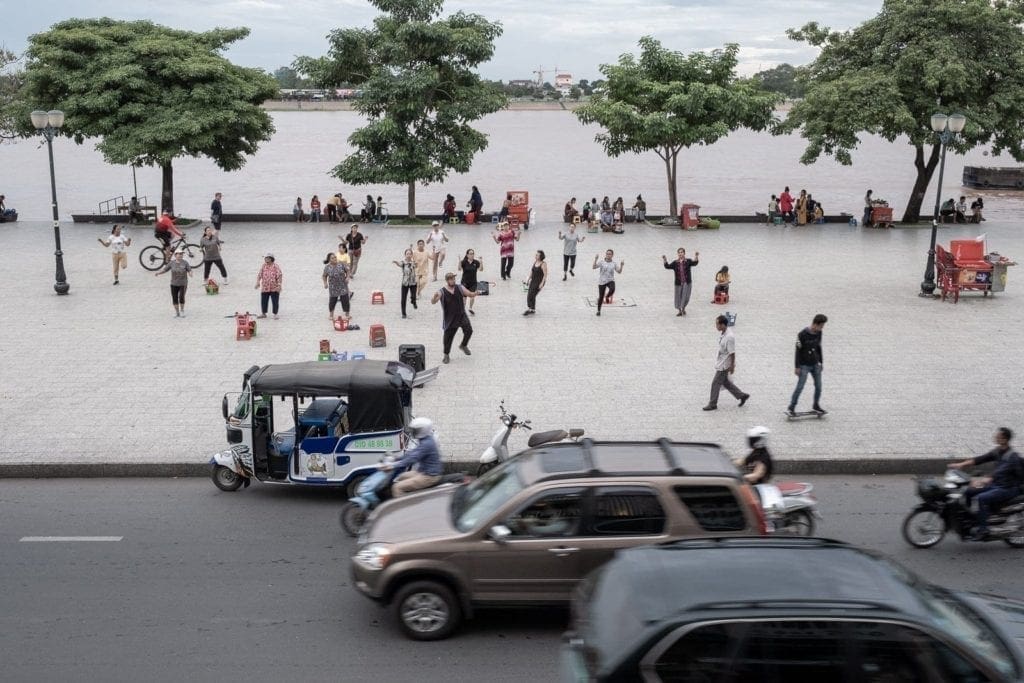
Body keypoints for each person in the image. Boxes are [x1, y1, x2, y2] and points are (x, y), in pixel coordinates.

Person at [950, 428, 1024, 541]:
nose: (995, 437)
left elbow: (1000, 471)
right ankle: (972, 519)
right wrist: (961, 464)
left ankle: (983, 529)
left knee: (982, 498)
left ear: (1004, 439)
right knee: (969, 491)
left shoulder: (1012, 457)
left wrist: (984, 480)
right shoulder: (998, 451)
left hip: (1008, 488)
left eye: (998, 436)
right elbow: (981, 459)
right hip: (997, 484)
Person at [384, 417, 443, 497]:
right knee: (400, 477)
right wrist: (395, 458)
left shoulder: (427, 444)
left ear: (422, 430)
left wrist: (392, 466)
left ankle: (403, 508)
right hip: (422, 472)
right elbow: (412, 453)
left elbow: (412, 459)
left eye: (415, 430)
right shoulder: (425, 439)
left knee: (397, 487)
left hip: (429, 476)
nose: (413, 432)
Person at [703, 314, 750, 411]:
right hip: (721, 361)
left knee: (715, 383)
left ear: (723, 325)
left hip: (724, 364)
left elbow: (732, 353)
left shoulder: (729, 337)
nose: (716, 326)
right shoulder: (724, 333)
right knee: (726, 382)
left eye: (717, 325)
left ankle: (713, 403)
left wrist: (732, 366)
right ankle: (742, 395)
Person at [787, 313, 828, 417]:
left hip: (815, 364)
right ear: (815, 324)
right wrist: (797, 366)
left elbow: (819, 347)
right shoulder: (802, 334)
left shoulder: (819, 333)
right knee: (800, 387)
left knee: (819, 386)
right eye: (821, 326)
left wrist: (821, 362)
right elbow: (797, 350)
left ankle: (816, 405)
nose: (821, 328)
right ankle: (791, 407)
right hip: (804, 365)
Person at [431, 272, 476, 364]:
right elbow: (433, 302)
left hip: (461, 315)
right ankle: (446, 355)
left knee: (469, 330)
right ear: (447, 280)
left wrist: (475, 293)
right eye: (451, 279)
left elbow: (470, 294)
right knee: (448, 338)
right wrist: (434, 297)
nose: (453, 280)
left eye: (454, 279)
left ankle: (463, 345)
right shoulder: (442, 291)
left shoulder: (460, 287)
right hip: (450, 318)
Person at [155, 248, 193, 317]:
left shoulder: (185, 262)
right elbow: (165, 269)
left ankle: (182, 310)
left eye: (181, 254)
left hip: (183, 283)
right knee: (174, 298)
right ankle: (177, 312)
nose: (180, 255)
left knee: (181, 297)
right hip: (174, 283)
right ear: (175, 255)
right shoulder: (172, 263)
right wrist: (158, 273)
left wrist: (190, 273)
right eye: (179, 254)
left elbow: (189, 269)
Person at [662, 247, 699, 316]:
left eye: (681, 252)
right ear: (677, 254)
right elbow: (667, 266)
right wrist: (665, 259)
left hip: (687, 283)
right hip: (678, 283)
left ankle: (683, 308)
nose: (680, 254)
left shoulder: (688, 261)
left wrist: (696, 256)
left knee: (686, 296)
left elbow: (695, 263)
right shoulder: (675, 263)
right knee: (678, 297)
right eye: (679, 252)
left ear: (684, 253)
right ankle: (680, 310)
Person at [593, 249, 624, 316]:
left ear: (612, 255)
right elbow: (594, 267)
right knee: (601, 297)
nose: (608, 255)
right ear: (605, 255)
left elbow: (619, 272)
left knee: (612, 289)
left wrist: (621, 265)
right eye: (607, 254)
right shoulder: (602, 262)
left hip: (610, 280)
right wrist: (595, 259)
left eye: (610, 254)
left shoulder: (614, 263)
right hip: (602, 281)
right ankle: (598, 310)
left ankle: (607, 297)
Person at [322, 252, 351, 320]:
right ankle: (331, 315)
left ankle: (347, 314)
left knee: (345, 300)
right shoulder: (327, 267)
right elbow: (324, 276)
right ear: (329, 260)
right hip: (333, 287)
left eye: (335, 257)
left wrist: (347, 277)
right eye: (332, 258)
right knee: (332, 301)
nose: (335, 258)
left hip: (343, 286)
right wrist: (325, 283)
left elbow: (348, 271)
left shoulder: (341, 264)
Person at [254, 253, 283, 319]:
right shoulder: (263, 266)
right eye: (265, 258)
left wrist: (279, 285)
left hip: (274, 287)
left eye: (267, 258)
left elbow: (279, 275)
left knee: (275, 301)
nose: (265, 259)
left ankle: (275, 314)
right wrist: (258, 282)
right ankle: (263, 313)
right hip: (265, 287)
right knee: (264, 300)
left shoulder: (276, 266)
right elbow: (260, 274)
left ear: (271, 259)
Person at [393, 248, 418, 318]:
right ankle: (403, 313)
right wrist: (396, 262)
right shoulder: (403, 262)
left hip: (413, 282)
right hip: (405, 282)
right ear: (405, 255)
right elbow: (399, 264)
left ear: (412, 255)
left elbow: (417, 266)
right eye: (407, 254)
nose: (409, 255)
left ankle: (414, 302)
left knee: (413, 296)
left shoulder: (413, 262)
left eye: (410, 254)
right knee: (403, 298)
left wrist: (416, 264)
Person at [458, 249, 482, 316]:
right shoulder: (464, 262)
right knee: (464, 297)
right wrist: (459, 261)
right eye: (470, 254)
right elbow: (459, 269)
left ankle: (470, 308)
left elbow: (481, 269)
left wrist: (481, 261)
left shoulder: (476, 262)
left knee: (472, 296)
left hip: (473, 282)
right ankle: (462, 310)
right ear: (467, 255)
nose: (472, 255)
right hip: (464, 282)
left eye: (473, 253)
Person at [523, 250, 548, 316]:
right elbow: (532, 272)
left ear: (540, 256)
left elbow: (545, 275)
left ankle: (530, 309)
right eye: (536, 255)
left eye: (537, 255)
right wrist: (528, 279)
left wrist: (542, 283)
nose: (535, 256)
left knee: (532, 294)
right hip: (533, 281)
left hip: (539, 282)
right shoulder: (535, 262)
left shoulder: (543, 264)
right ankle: (532, 309)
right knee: (529, 294)